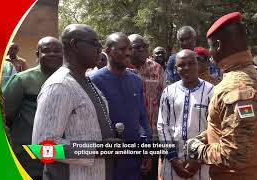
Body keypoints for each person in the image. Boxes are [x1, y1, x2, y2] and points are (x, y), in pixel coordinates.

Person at [184, 12, 257, 180]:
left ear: (217, 46)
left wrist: (197, 150)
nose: (209, 52)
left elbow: (235, 153)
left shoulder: (237, 88)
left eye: (210, 47)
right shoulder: (246, 73)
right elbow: (241, 131)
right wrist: (207, 136)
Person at [32, 24, 113, 180]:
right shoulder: (59, 85)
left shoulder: (87, 81)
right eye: (95, 44)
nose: (100, 50)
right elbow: (42, 148)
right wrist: (97, 150)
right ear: (75, 45)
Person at [89, 32, 151, 180]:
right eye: (122, 49)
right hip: (106, 159)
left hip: (133, 158)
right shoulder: (93, 81)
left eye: (129, 49)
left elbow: (142, 117)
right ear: (108, 50)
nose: (128, 53)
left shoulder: (136, 81)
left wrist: (146, 147)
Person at [4, 36, 63, 180]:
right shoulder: (22, 80)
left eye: (57, 51)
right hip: (29, 156)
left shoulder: (70, 80)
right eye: (46, 51)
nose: (52, 54)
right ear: (38, 55)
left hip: (61, 155)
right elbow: (8, 115)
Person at [158, 49, 213, 180]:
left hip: (202, 164)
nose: (186, 68)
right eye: (182, 65)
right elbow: (162, 126)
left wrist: (197, 160)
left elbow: (214, 129)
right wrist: (173, 159)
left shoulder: (211, 91)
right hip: (173, 164)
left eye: (191, 63)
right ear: (176, 68)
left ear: (197, 65)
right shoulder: (168, 92)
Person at [128, 34, 166, 180]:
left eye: (145, 46)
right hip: (128, 138)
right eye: (138, 47)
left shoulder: (156, 68)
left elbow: (163, 100)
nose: (143, 49)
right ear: (128, 50)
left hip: (152, 136)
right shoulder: (122, 69)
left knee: (150, 174)